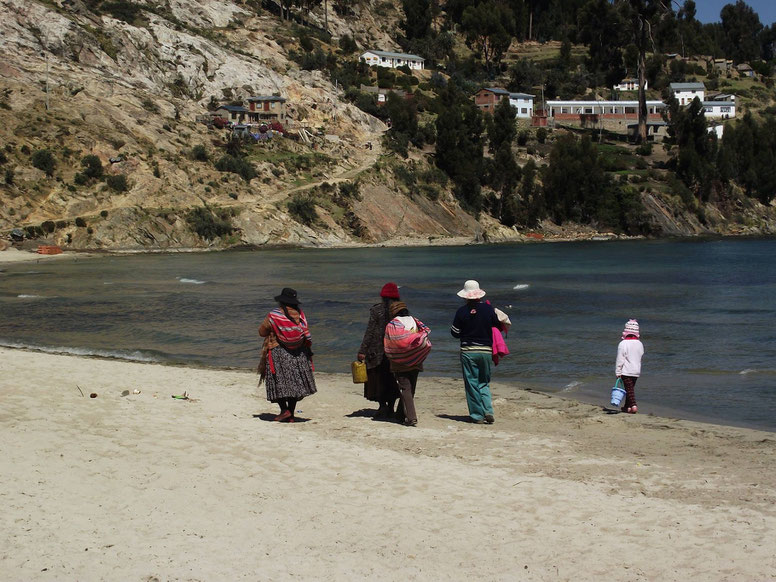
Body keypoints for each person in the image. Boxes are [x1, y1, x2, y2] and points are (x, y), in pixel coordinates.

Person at [258, 287, 317, 422]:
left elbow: (262, 332)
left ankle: (284, 410)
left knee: (278, 381)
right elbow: (305, 331)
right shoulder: (300, 314)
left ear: (282, 301)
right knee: (294, 383)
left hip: (278, 352)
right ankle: (291, 414)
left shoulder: (274, 315)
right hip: (298, 353)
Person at [451, 280, 500, 424]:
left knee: (471, 382)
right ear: (479, 294)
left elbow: (454, 332)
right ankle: (488, 411)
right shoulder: (488, 309)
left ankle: (477, 415)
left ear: (465, 296)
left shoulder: (461, 311)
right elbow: (497, 326)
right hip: (485, 350)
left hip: (468, 350)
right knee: (484, 381)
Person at [384, 301, 431, 427]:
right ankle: (400, 415)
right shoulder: (414, 320)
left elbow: (391, 342)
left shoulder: (393, 324)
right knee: (411, 388)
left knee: (405, 388)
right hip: (416, 358)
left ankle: (411, 417)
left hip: (400, 361)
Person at [357, 283, 401, 419]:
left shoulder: (376, 310)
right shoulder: (399, 310)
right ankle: (391, 408)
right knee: (393, 380)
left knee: (378, 380)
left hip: (376, 351)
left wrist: (362, 350)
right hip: (394, 351)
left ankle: (382, 406)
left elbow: (369, 332)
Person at [616, 319, 644, 414]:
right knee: (630, 389)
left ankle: (633, 405)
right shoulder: (640, 344)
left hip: (626, 371)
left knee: (629, 389)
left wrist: (618, 372)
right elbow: (640, 356)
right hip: (636, 370)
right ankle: (627, 407)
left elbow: (620, 359)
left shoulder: (623, 344)